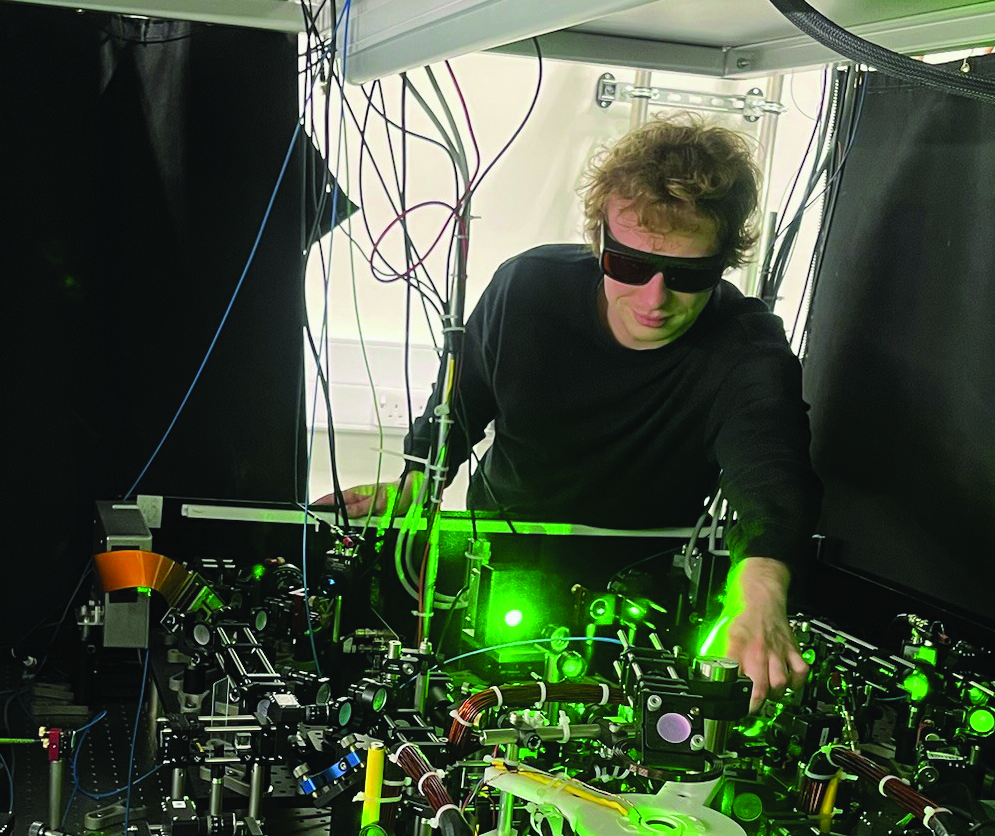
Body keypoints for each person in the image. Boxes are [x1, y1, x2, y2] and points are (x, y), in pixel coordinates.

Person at [326, 118, 822, 709]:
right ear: (600, 243)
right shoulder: (527, 288)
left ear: (724, 261)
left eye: (688, 276)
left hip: (636, 607)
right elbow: (460, 402)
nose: (653, 299)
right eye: (631, 267)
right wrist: (416, 483)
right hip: (496, 571)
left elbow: (772, 474)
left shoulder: (746, 347)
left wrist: (760, 591)